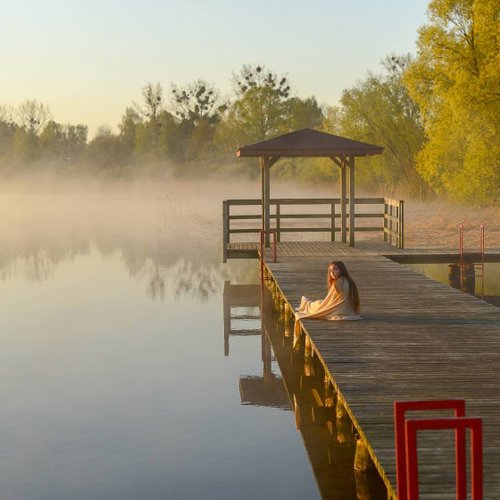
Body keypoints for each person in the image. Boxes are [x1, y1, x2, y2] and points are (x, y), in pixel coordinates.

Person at [295, 261, 361, 321]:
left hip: (339, 311)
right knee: (318, 302)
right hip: (350, 311)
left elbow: (329, 302)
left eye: (335, 269)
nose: (332, 273)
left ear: (342, 270)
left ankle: (305, 303)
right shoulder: (349, 281)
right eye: (330, 270)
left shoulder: (338, 283)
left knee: (315, 305)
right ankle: (306, 302)